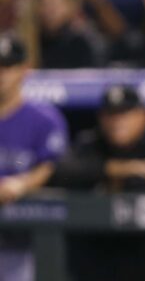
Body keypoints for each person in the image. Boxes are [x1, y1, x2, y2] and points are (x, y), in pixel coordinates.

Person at [52, 84, 145, 281]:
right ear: (101, 118)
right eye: (111, 114)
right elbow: (62, 171)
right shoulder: (91, 142)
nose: (117, 121)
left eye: (125, 114)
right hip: (104, 254)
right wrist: (117, 169)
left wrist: (120, 184)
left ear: (144, 116)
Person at [0, 35, 69, 281]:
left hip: (27, 239)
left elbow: (52, 165)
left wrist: (21, 184)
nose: (1, 74)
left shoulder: (45, 118)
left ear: (24, 70)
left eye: (7, 66)